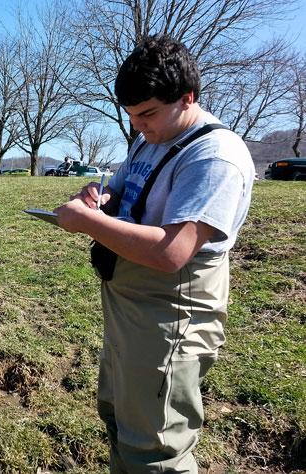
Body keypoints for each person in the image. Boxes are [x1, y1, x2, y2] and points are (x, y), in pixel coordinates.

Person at [54, 35, 254, 472]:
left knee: (157, 447)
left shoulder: (215, 157)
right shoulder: (149, 139)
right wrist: (96, 197)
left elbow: (172, 252)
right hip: (129, 308)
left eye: (147, 114)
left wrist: (87, 223)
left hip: (170, 315)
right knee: (122, 421)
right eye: (131, 117)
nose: (139, 127)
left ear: (187, 98)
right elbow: (120, 191)